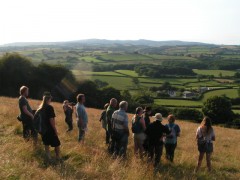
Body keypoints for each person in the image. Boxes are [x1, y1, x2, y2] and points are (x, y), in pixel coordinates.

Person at [37, 92, 61, 161]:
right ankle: (58, 157)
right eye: (50, 99)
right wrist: (55, 130)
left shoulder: (40, 108)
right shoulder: (50, 107)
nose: (51, 100)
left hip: (42, 129)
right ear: (48, 99)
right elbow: (51, 120)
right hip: (49, 129)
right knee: (57, 143)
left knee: (46, 143)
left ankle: (48, 158)